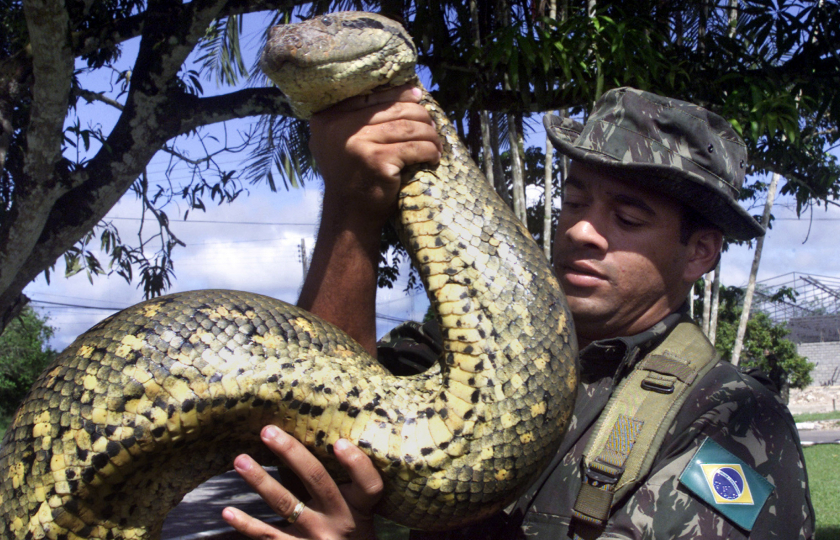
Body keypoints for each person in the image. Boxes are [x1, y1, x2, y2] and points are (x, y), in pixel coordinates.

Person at [220, 86, 815, 539]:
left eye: (628, 218)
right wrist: (353, 208)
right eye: (575, 201)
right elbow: (315, 411)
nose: (582, 229)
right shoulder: (454, 347)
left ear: (700, 252)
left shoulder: (733, 422)